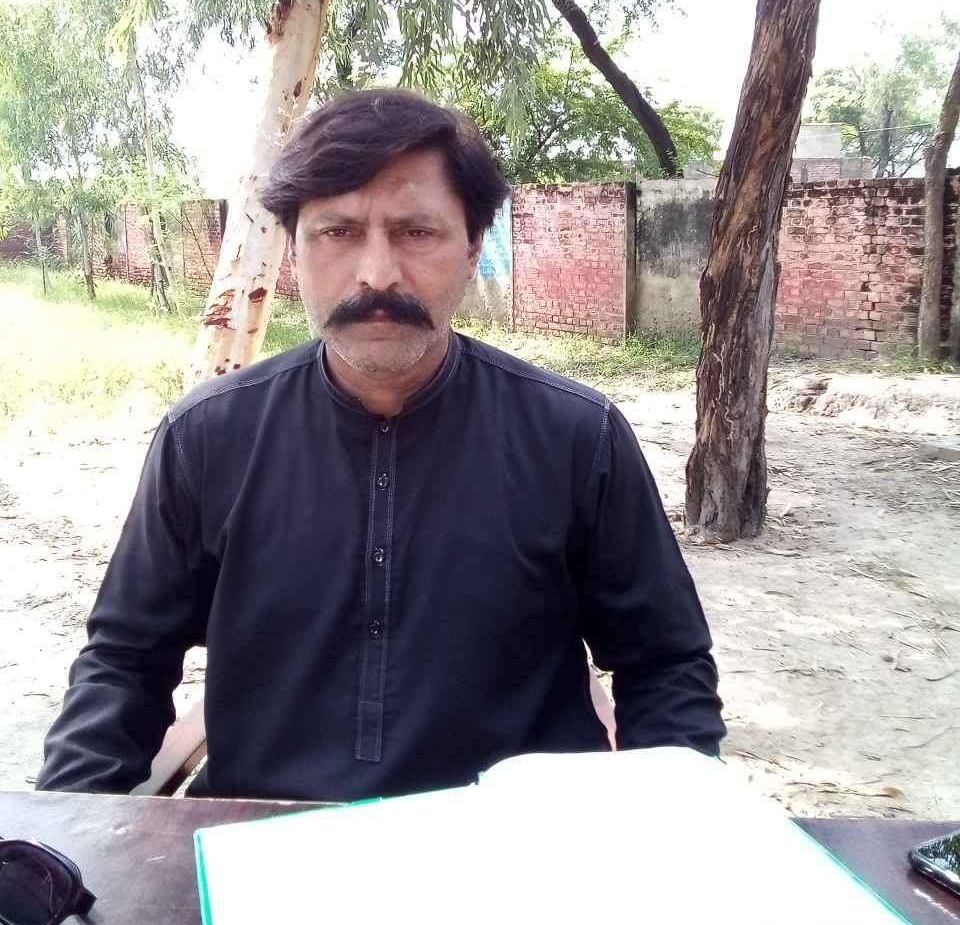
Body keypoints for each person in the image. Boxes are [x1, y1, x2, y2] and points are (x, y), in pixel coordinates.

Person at [37, 88, 724, 802]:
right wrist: (61, 831)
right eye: (337, 232)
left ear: (473, 249)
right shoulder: (207, 438)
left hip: (512, 840)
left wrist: (674, 821)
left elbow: (665, 664)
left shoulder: (577, 438)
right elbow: (124, 662)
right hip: (263, 836)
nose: (376, 274)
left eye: (416, 232)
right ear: (294, 252)